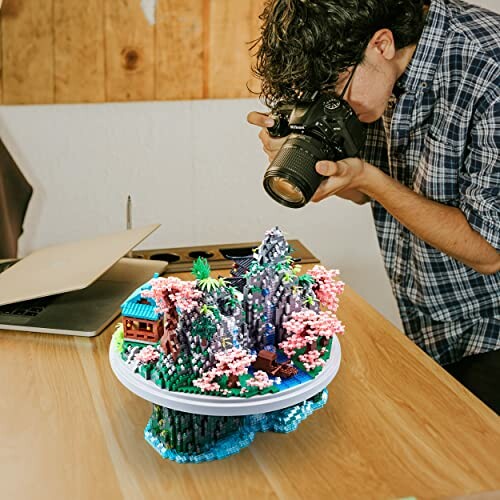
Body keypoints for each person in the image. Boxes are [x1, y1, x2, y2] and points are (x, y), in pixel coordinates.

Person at [247, 0, 500, 413]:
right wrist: (311, 160)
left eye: (336, 92)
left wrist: (369, 179)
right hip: (432, 322)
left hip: (492, 327)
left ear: (381, 43)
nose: (336, 105)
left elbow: (489, 251)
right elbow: (363, 188)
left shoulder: (489, 68)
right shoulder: (381, 70)